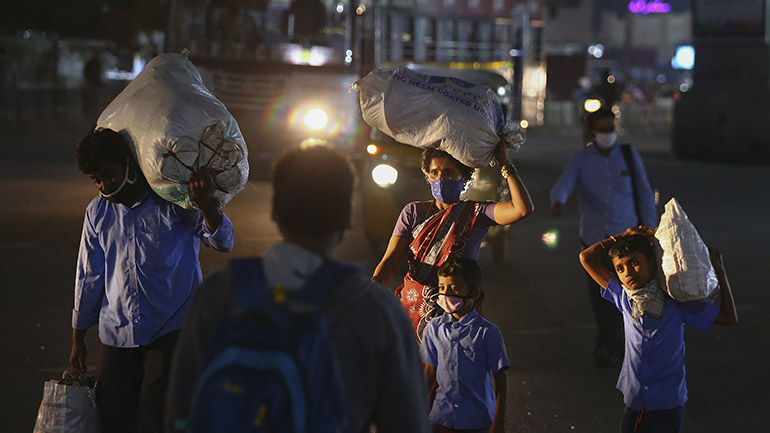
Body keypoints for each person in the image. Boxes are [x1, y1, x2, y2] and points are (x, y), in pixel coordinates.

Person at [165, 144, 429, 433]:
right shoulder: (377, 310)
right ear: (346, 217)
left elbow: (181, 408)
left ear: (276, 212)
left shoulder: (221, 291)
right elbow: (407, 422)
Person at [69, 127, 234, 433]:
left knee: (156, 417)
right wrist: (78, 338)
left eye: (110, 174)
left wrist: (207, 203)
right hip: (117, 331)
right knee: (112, 414)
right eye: (97, 180)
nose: (106, 185)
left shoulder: (173, 201)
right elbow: (89, 275)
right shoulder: (97, 213)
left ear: (129, 165)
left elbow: (222, 241)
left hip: (171, 328)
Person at [579, 227, 737, 433]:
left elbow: (728, 318)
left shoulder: (678, 303)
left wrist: (721, 273)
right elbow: (586, 258)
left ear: (653, 263)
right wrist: (621, 237)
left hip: (667, 404)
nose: (628, 273)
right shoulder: (623, 296)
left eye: (634, 262)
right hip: (635, 402)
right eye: (620, 268)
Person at [372, 144, 534, 341]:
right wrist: (375, 286)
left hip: (456, 312)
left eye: (449, 172)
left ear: (464, 177)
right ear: (428, 176)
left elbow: (522, 209)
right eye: (434, 172)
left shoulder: (477, 213)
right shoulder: (412, 213)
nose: (441, 179)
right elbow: (391, 259)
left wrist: (504, 163)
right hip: (413, 309)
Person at [550, 107, 658, 367]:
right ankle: (608, 344)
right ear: (592, 132)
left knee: (632, 296)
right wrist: (558, 201)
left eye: (611, 128)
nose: (608, 133)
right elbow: (564, 183)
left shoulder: (629, 157)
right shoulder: (581, 159)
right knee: (602, 297)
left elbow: (644, 193)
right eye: (603, 129)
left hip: (628, 242)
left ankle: (623, 347)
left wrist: (651, 229)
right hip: (595, 242)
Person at [421, 256, 509, 433]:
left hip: (478, 420)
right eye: (442, 287)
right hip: (442, 418)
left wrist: (498, 422)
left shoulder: (487, 332)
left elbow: (500, 378)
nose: (446, 294)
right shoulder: (433, 328)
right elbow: (430, 371)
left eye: (454, 288)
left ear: (474, 294)